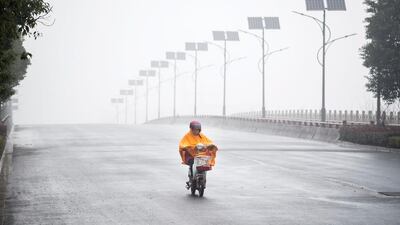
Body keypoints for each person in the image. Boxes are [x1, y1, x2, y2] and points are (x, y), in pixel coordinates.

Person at [179, 121, 214, 188]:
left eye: (197, 130)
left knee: (205, 163)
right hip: (190, 155)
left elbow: (208, 141)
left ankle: (204, 179)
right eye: (194, 130)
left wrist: (211, 145)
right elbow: (182, 143)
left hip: (201, 155)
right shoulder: (187, 136)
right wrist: (186, 147)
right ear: (191, 129)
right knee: (192, 162)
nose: (196, 131)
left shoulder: (202, 136)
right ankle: (191, 179)